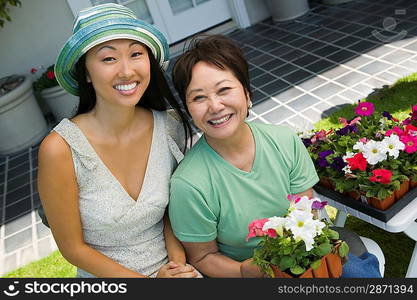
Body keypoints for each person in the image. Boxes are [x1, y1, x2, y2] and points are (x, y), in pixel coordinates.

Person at [168, 34, 382, 278]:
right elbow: (202, 257)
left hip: (301, 255)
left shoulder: (284, 141)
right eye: (199, 97)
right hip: (247, 272)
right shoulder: (189, 185)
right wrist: (244, 270)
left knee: (357, 272)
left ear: (247, 93)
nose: (215, 106)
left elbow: (306, 211)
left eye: (224, 90)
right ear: (188, 109)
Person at [38, 3, 199, 278]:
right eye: (108, 59)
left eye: (136, 54)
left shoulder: (169, 126)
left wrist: (177, 266)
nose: (126, 71)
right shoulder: (60, 149)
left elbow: (174, 211)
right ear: (86, 72)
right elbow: (72, 248)